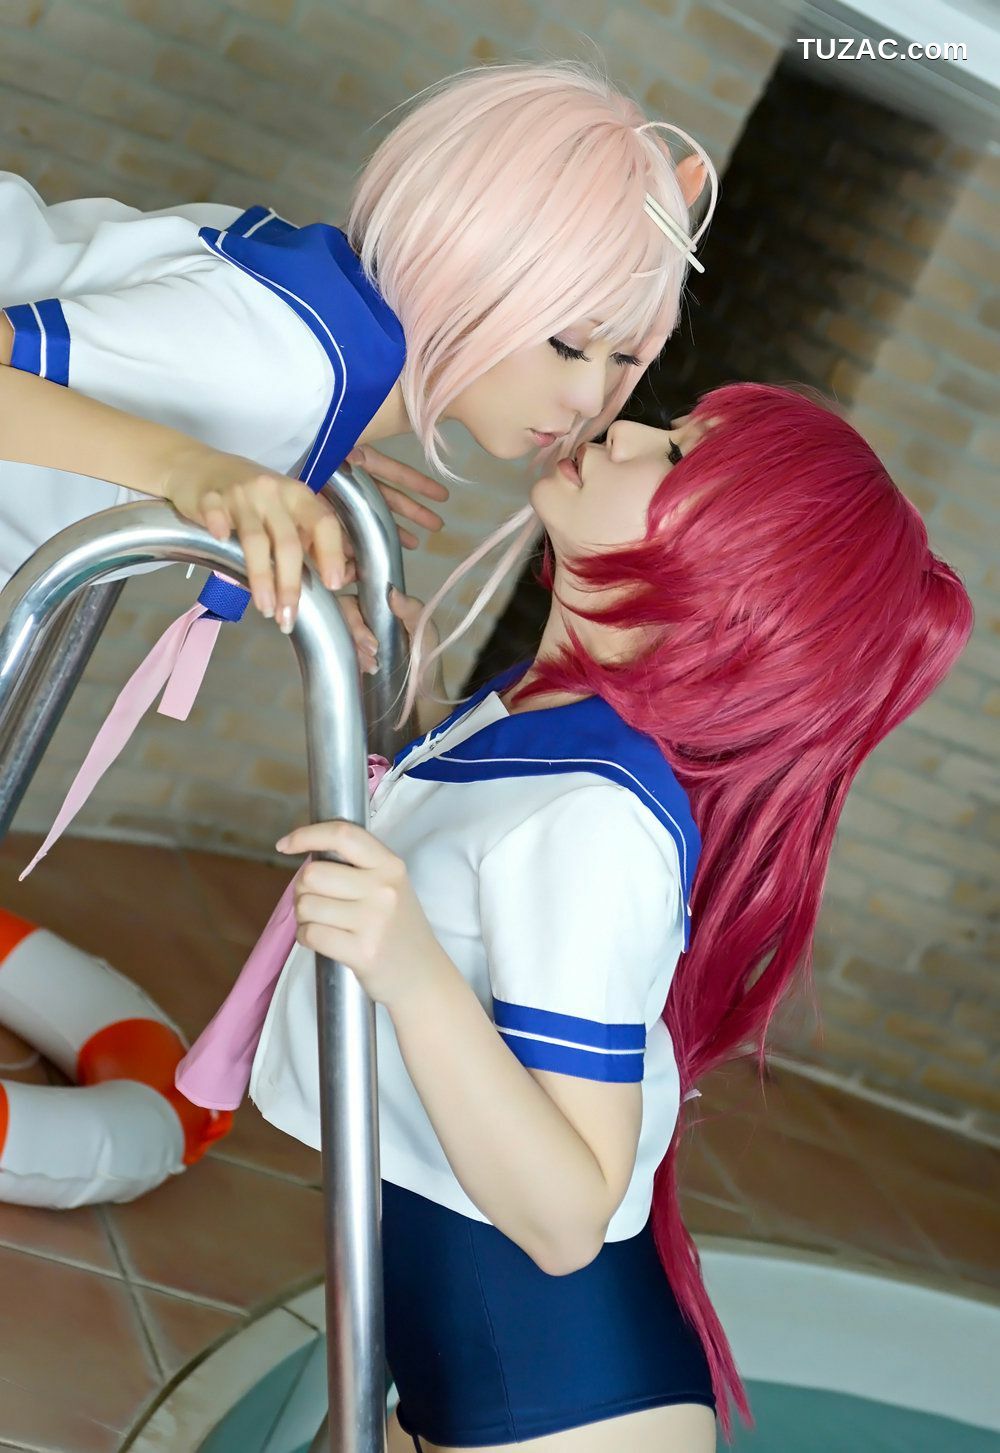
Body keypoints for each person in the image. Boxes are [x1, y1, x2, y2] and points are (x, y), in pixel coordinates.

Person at [231, 384, 971, 1452]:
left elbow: (568, 1215)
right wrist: (396, 697)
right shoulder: (544, 720)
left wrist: (412, 968)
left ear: (729, 569)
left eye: (672, 456)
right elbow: (484, 880)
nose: (623, 428)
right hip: (505, 1386)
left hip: (558, 1415)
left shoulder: (599, 811)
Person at [0, 62, 715, 865]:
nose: (591, 397)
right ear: (474, 264)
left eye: (625, 359)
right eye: (569, 344)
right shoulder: (280, 363)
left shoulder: (318, 340)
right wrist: (193, 467)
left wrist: (275, 461)